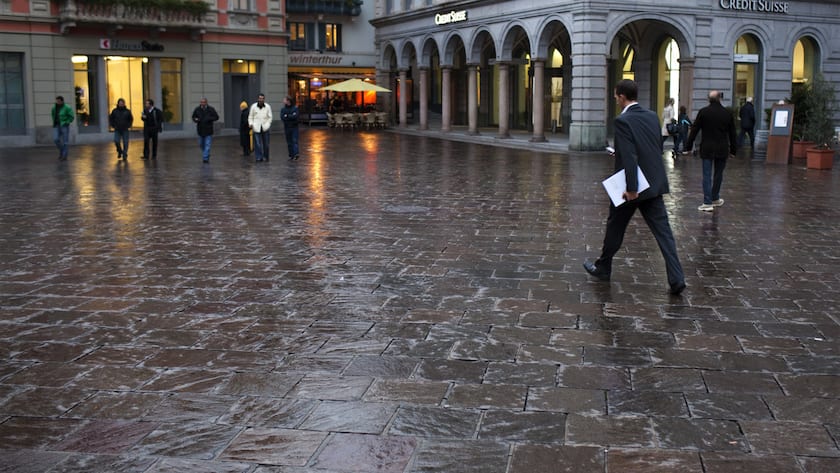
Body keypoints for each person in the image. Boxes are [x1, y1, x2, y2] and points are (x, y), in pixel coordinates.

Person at [583, 79, 686, 296]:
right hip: (654, 184)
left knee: (615, 227)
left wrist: (632, 188)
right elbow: (655, 146)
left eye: (616, 96)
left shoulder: (623, 121)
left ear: (621, 96)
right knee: (664, 232)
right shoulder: (651, 116)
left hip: (632, 187)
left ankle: (603, 267)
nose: (615, 99)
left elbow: (630, 157)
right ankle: (677, 278)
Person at [685, 90, 737, 212]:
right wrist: (733, 150)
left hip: (707, 147)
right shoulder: (727, 113)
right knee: (719, 174)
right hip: (722, 148)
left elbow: (694, 130)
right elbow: (732, 133)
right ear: (720, 99)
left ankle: (707, 202)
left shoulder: (703, 112)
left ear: (708, 99)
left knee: (707, 175)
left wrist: (688, 146)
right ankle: (715, 197)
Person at [191, 97, 219, 163]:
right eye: (201, 102)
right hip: (200, 130)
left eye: (204, 102)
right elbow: (193, 117)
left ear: (206, 102)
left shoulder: (211, 109)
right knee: (201, 144)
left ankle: (205, 158)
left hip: (208, 130)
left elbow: (216, 117)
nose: (202, 103)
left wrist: (210, 118)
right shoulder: (197, 109)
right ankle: (206, 154)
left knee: (207, 144)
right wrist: (196, 119)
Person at [248, 93, 273, 162]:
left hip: (265, 127)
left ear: (264, 99)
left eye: (262, 99)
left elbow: (270, 117)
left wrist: (268, 124)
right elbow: (250, 116)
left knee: (266, 144)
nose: (261, 100)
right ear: (258, 99)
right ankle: (259, 157)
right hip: (256, 127)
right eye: (260, 98)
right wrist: (251, 124)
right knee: (257, 144)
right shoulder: (253, 107)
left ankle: (265, 156)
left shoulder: (268, 107)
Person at [51, 95, 74, 161]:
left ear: (62, 101)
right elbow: (53, 115)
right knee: (56, 139)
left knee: (65, 142)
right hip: (57, 125)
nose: (57, 102)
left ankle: (64, 156)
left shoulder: (67, 107)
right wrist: (54, 122)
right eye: (56, 101)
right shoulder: (54, 108)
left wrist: (67, 122)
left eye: (58, 101)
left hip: (64, 125)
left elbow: (71, 116)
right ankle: (62, 151)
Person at [280, 95, 300, 160]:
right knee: (289, 142)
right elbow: (282, 117)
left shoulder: (295, 108)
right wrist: (291, 116)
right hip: (287, 127)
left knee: (294, 140)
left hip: (294, 127)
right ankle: (291, 155)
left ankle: (296, 154)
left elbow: (296, 117)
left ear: (288, 101)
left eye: (284, 100)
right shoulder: (283, 109)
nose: (283, 101)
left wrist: (287, 116)